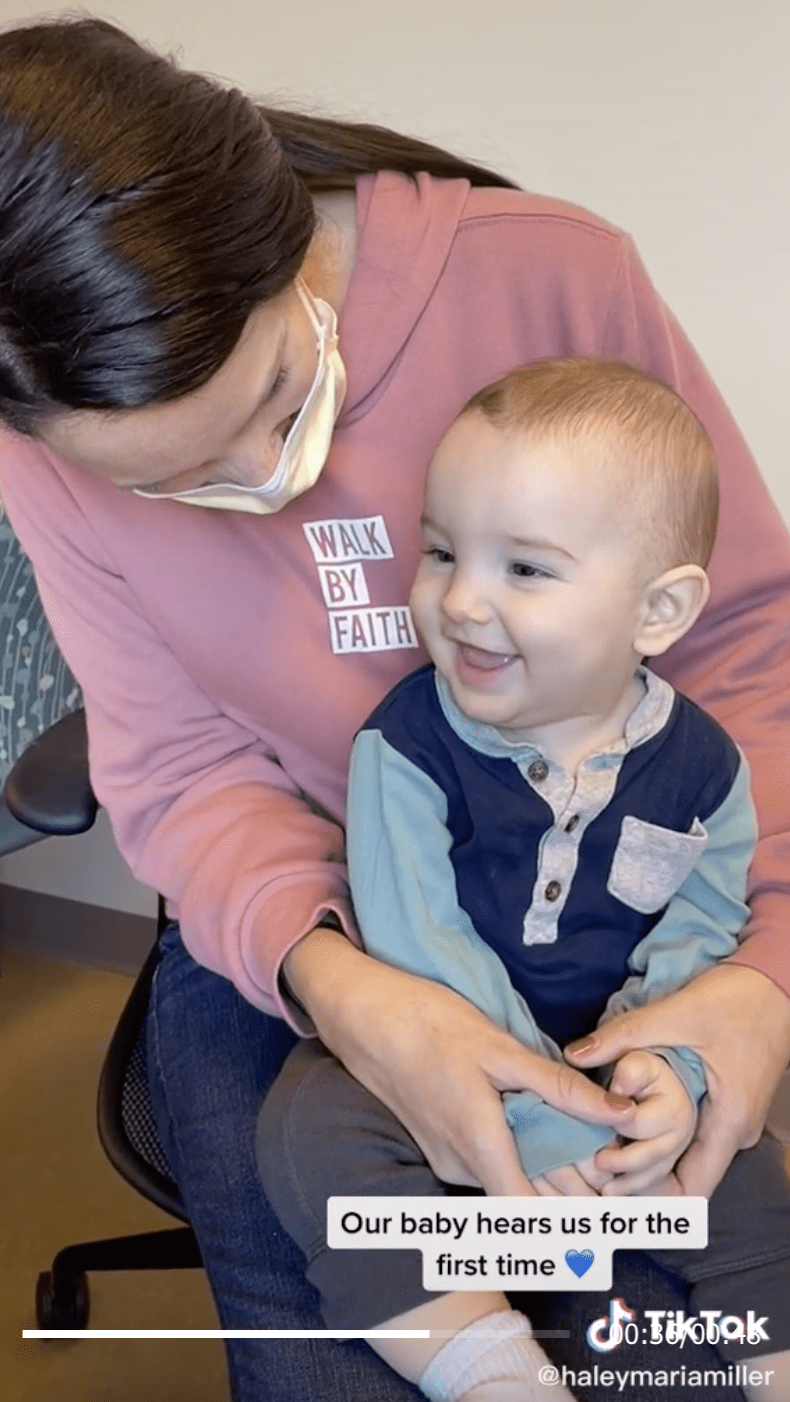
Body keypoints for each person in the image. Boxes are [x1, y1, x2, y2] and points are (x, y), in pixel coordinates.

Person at [0, 15, 788, 1402]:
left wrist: (754, 979)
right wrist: (349, 990)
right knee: (327, 1310)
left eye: (279, 401)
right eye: (178, 481)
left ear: (277, 250)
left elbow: (738, 642)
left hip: (613, 871)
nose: (266, 482)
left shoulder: (551, 273)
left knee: (694, 1262)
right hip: (306, 901)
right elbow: (180, 767)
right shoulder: (46, 446)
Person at [258, 358, 790, 1402]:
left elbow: (701, 923)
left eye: (525, 570)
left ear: (657, 611)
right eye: (443, 551)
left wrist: (667, 1076)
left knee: (742, 1159)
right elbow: (421, 941)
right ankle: (494, 1369)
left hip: (611, 1049)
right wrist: (538, 1114)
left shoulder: (705, 766)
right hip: (441, 1042)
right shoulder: (404, 746)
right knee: (308, 1131)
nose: (460, 600)